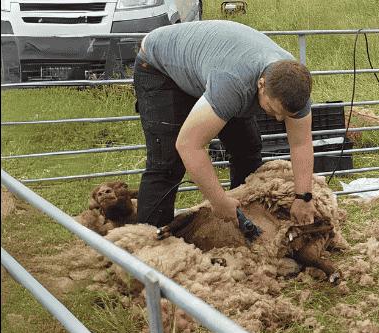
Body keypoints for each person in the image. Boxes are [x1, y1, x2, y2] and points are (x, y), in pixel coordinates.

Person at [133, 20, 320, 228]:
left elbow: (301, 143)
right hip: (160, 67)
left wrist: (304, 197)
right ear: (261, 85)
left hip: (214, 66)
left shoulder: (296, 89)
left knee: (247, 149)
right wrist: (218, 201)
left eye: (284, 115)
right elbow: (189, 144)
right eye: (274, 110)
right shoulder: (234, 83)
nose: (277, 118)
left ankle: (245, 221)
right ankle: (147, 244)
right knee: (167, 161)